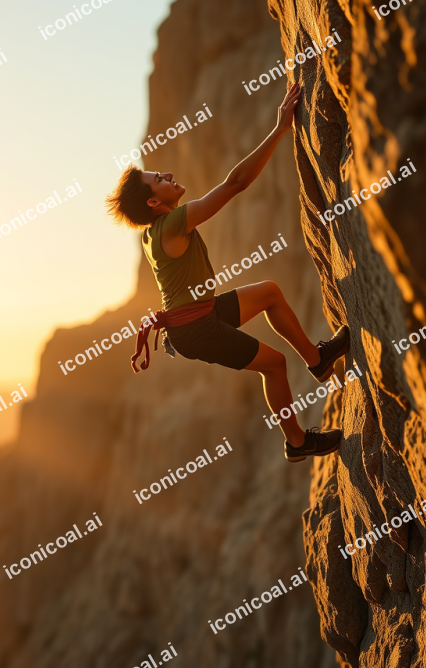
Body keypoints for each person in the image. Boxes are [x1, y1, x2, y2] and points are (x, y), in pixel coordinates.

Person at [105, 83, 349, 462]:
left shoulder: (156, 232)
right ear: (154, 202)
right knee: (275, 365)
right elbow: (235, 184)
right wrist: (281, 128)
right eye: (159, 179)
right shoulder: (170, 225)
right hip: (195, 328)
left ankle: (317, 361)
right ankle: (298, 442)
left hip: (200, 314)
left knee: (269, 292)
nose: (168, 174)